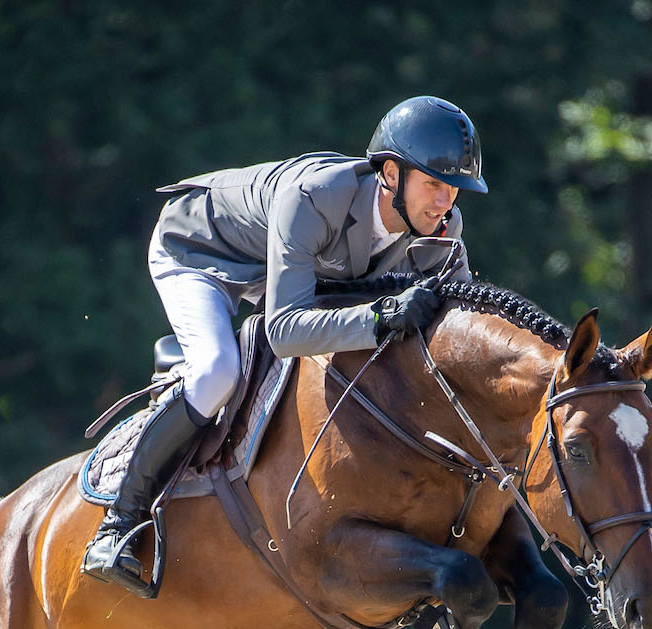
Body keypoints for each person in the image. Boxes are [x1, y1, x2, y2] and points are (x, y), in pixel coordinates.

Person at [82, 96, 484, 595]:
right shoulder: (315, 196)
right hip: (199, 252)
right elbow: (286, 330)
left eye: (454, 190)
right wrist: (381, 316)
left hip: (291, 274)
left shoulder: (442, 229)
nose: (445, 203)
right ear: (390, 174)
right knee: (215, 372)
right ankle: (120, 522)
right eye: (434, 185)